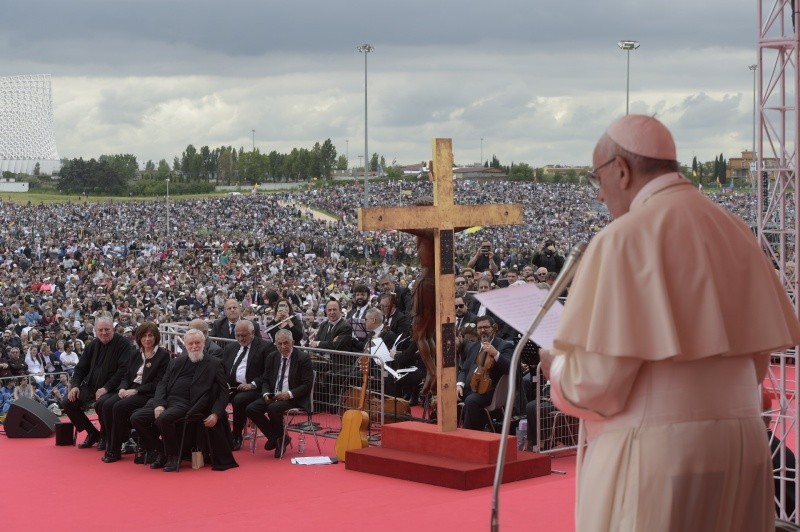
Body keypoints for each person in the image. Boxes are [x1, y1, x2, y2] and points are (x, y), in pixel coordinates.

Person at [540, 114, 800, 532]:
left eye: (597, 181)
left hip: (659, 456)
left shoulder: (623, 238)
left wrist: (556, 365)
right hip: (743, 446)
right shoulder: (736, 230)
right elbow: (754, 364)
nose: (601, 196)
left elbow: (596, 386)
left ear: (621, 171)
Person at [130, 329, 235, 472]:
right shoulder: (176, 362)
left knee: (164, 418)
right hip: (167, 401)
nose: (194, 346)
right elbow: (162, 384)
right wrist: (159, 403)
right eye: (190, 344)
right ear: (185, 345)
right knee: (136, 418)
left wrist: (216, 413)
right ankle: (161, 450)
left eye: (197, 343)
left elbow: (224, 392)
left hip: (189, 404)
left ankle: (173, 457)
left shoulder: (215, 363)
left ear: (204, 343)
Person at [99, 322, 169, 464]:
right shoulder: (135, 354)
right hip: (130, 389)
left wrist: (135, 390)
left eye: (150, 336)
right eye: (144, 336)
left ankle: (114, 450)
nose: (147, 339)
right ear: (139, 338)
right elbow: (126, 375)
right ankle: (111, 441)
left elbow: (159, 383)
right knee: (105, 404)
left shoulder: (163, 355)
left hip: (148, 393)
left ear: (156, 337)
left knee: (118, 407)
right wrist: (123, 388)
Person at [61, 314, 132, 450]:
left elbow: (123, 370)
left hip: (113, 388)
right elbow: (81, 368)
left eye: (107, 330)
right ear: (96, 330)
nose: (103, 333)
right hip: (91, 387)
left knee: (101, 404)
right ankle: (92, 433)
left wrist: (106, 388)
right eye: (100, 330)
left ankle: (106, 435)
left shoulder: (123, 344)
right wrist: (75, 386)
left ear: (113, 329)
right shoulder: (93, 345)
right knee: (67, 402)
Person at [245, 329, 313, 458]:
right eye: (280, 344)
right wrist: (265, 394)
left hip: (293, 397)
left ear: (293, 342)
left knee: (273, 408)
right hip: (274, 395)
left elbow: (307, 384)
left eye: (286, 343)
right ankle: (278, 437)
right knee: (251, 409)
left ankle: (277, 439)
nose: (283, 347)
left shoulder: (303, 358)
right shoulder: (272, 357)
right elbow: (265, 379)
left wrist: (289, 394)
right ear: (275, 344)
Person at [456, 315, 513, 430]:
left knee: (471, 401)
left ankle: (471, 436)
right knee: (448, 394)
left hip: (491, 391)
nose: (483, 330)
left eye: (486, 327)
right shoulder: (473, 347)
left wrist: (496, 353)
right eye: (480, 328)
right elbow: (465, 369)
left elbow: (509, 368)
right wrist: (459, 384)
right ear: (476, 330)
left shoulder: (504, 345)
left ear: (493, 328)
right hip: (471, 387)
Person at [222, 319, 272, 451]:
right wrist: (224, 382)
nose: (240, 338)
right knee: (211, 395)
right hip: (231, 387)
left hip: (254, 389)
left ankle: (236, 435)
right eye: (237, 335)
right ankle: (217, 434)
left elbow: (269, 373)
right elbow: (222, 368)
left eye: (243, 335)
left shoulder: (265, 347)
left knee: (239, 400)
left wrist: (253, 384)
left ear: (253, 333)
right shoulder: (231, 347)